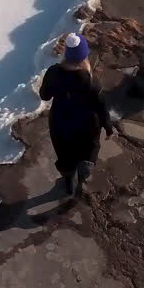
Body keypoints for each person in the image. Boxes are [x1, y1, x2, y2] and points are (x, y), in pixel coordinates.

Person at [39, 33, 114, 196]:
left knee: (65, 155)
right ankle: (83, 178)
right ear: (84, 57)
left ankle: (68, 182)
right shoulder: (91, 81)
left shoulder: (53, 73)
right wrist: (107, 126)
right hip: (87, 127)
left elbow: (44, 96)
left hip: (61, 124)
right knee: (88, 152)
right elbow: (101, 106)